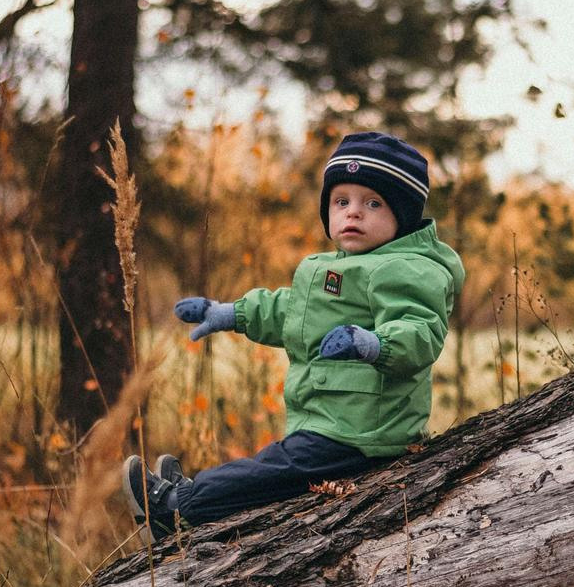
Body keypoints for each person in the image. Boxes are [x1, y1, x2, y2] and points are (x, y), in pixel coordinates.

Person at [122, 131, 465, 540]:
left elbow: (420, 330)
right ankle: (192, 498)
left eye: (373, 203)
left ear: (403, 216)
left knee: (274, 469)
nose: (353, 214)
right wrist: (230, 313)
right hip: (334, 422)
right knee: (278, 470)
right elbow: (292, 311)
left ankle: (177, 508)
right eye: (342, 202)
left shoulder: (406, 268)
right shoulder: (343, 267)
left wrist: (374, 344)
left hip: (364, 432)